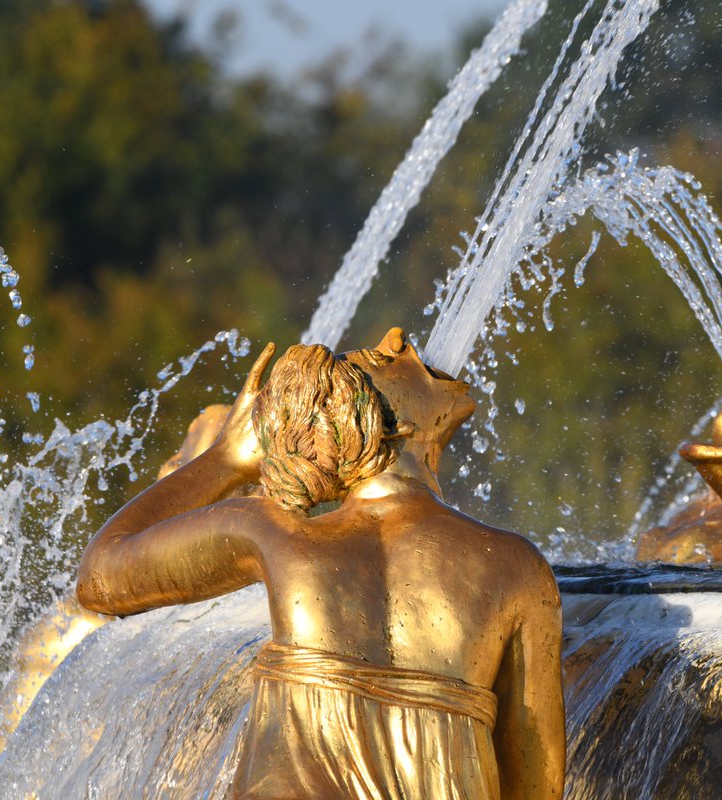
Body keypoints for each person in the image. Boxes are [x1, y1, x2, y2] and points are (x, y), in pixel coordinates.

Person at [77, 327, 565, 800]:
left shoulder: (277, 535)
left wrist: (228, 458)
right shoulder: (514, 568)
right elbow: (536, 783)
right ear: (396, 427)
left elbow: (102, 575)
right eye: (379, 361)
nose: (396, 337)